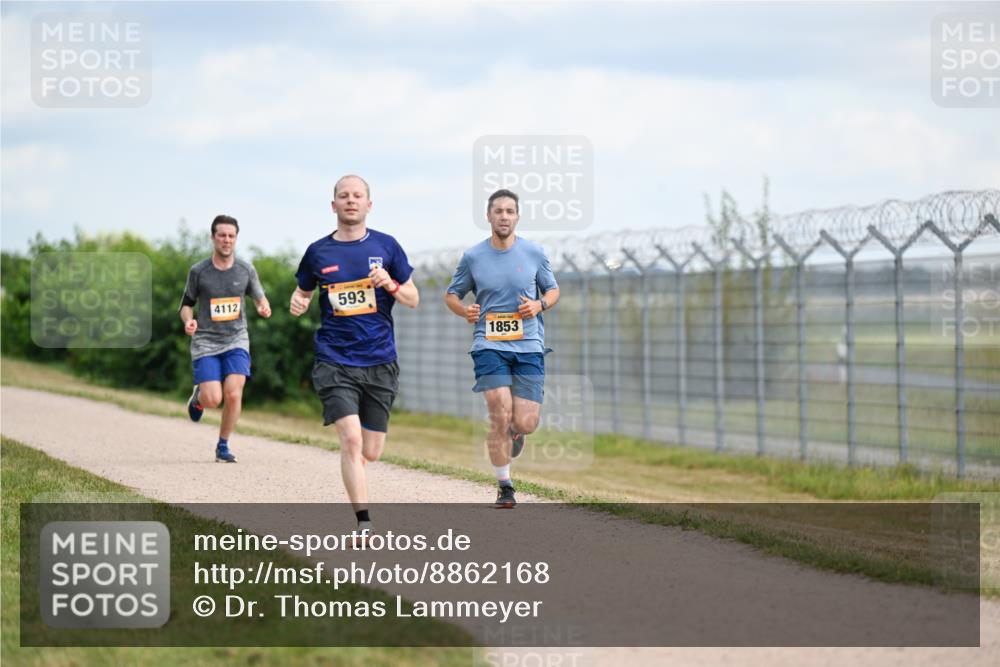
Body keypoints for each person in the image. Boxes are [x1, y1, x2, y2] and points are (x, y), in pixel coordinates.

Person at [289, 175, 418, 535]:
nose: (350, 200)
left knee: (371, 451)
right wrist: (298, 302)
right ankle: (363, 523)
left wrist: (390, 283)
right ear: (333, 205)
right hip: (334, 359)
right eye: (343, 196)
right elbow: (302, 292)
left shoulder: (387, 246)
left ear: (368, 205)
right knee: (351, 439)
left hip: (379, 360)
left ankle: (354, 472)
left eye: (357, 196)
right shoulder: (318, 251)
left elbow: (413, 298)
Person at [445, 189, 560, 508]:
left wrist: (539, 305)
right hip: (489, 344)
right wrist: (464, 311)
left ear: (517, 217)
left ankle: (517, 431)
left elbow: (553, 290)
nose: (504, 217)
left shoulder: (534, 253)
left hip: (529, 345)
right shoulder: (473, 257)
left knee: (526, 422)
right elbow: (452, 295)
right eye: (498, 211)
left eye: (510, 211)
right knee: (499, 412)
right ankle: (505, 486)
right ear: (488, 216)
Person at [180, 214, 271, 462]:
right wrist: (188, 321)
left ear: (236, 238)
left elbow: (260, 298)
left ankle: (223, 446)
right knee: (213, 399)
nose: (227, 240)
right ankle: (199, 399)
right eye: (222, 235)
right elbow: (186, 304)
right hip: (206, 341)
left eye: (231, 236)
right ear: (213, 238)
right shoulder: (199, 271)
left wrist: (263, 306)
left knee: (233, 394)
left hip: (236, 339)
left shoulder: (245, 269)